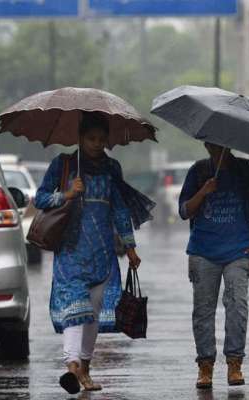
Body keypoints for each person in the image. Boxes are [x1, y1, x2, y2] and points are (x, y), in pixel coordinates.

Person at [34, 112, 154, 395]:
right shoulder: (62, 165)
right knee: (76, 310)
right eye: (91, 139)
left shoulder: (112, 168)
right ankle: (72, 366)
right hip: (71, 253)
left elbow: (120, 209)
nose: (97, 144)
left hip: (103, 255)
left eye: (102, 139)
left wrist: (131, 246)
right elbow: (39, 198)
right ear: (80, 138)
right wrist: (65, 194)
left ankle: (84, 367)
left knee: (93, 315)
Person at [178, 142, 249, 389]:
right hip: (203, 252)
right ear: (206, 144)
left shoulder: (246, 170)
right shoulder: (197, 171)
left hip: (239, 250)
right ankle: (205, 366)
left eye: (222, 144)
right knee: (203, 310)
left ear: (230, 143)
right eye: (212, 143)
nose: (217, 147)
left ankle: (234, 363)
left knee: (237, 305)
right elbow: (185, 210)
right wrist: (203, 192)